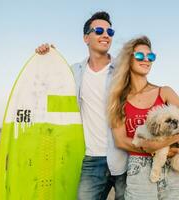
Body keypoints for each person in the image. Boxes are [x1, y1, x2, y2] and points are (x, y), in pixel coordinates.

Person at [36, 11, 127, 200]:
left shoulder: (123, 70)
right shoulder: (74, 72)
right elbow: (49, 87)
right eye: (99, 30)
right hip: (92, 158)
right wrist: (47, 57)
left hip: (125, 158)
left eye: (110, 32)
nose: (105, 35)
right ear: (86, 38)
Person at [107, 36, 179, 199]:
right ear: (129, 59)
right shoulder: (117, 99)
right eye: (140, 56)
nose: (146, 60)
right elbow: (120, 141)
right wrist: (150, 149)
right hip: (140, 171)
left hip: (174, 170)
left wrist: (158, 146)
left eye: (151, 56)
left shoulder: (164, 92)